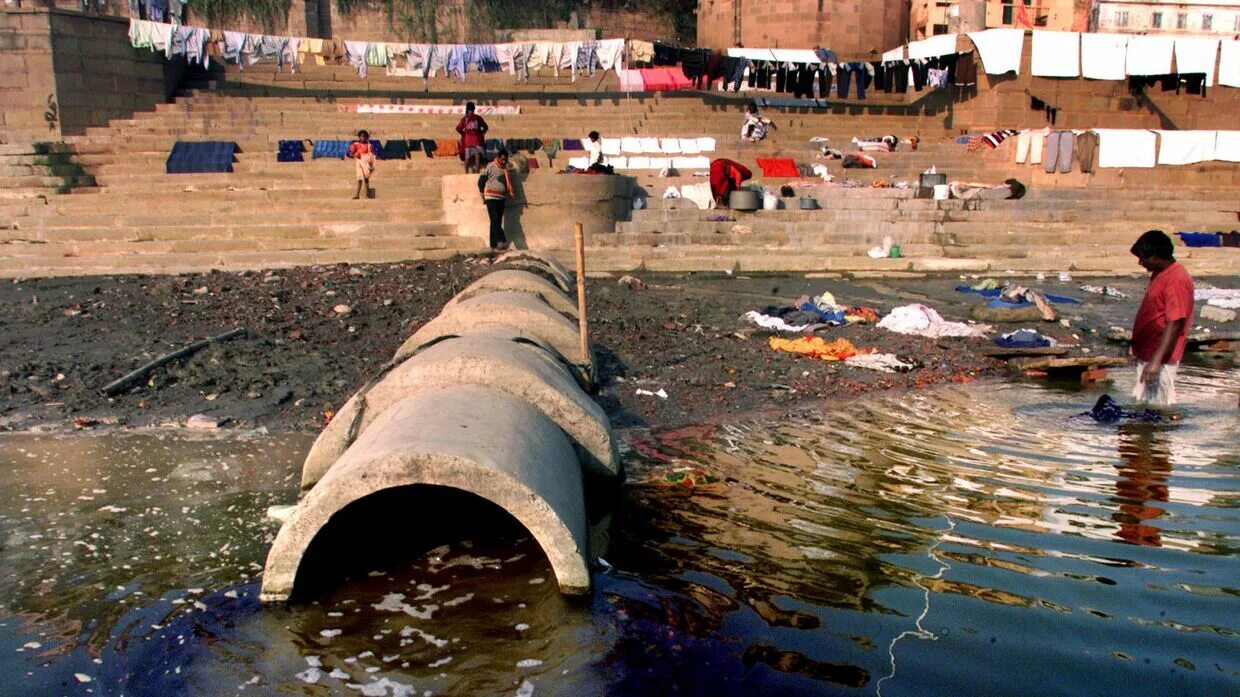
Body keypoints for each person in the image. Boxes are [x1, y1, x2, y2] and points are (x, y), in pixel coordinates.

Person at [1129, 229, 1194, 406]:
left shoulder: (1176, 279)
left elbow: (1175, 322)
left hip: (1161, 357)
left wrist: (1156, 362)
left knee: (1160, 408)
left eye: (1144, 258)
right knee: (1144, 404)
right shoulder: (1160, 274)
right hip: (1148, 352)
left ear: (1156, 256)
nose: (1140, 263)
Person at [482, 149, 515, 251]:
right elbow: (481, 181)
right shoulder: (490, 166)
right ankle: (502, 241)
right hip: (491, 197)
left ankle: (493, 245)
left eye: (505, 160)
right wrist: (481, 195)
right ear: (498, 157)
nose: (504, 161)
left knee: (496, 221)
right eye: (502, 159)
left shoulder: (505, 169)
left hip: (501, 197)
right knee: (495, 220)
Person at [456, 101, 489, 174]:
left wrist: (464, 133)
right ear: (474, 109)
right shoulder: (478, 118)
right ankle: (477, 173)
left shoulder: (464, 119)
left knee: (467, 157)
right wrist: (481, 133)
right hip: (477, 141)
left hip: (468, 141)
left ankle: (466, 173)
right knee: (478, 156)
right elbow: (486, 127)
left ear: (467, 109)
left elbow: (458, 128)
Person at [348, 130, 376, 199]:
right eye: (361, 136)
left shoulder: (369, 145)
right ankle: (357, 195)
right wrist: (354, 155)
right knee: (359, 178)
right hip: (359, 162)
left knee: (366, 178)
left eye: (364, 137)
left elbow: (372, 155)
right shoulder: (355, 144)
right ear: (359, 137)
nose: (363, 138)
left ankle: (367, 194)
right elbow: (351, 153)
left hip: (366, 162)